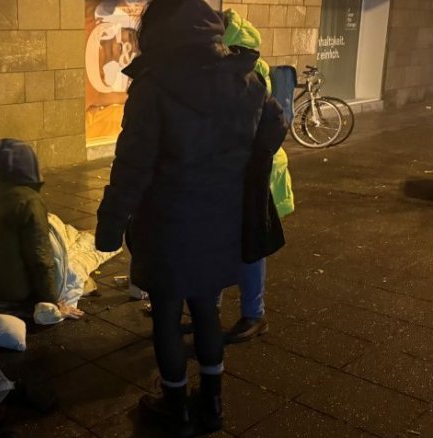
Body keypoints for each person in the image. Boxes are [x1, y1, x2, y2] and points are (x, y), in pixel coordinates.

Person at [94, 0, 287, 435]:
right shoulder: (246, 77)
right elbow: (275, 125)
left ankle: (176, 408)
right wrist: (245, 167)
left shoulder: (153, 84)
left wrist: (109, 226)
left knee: (166, 312)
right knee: (205, 309)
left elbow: (132, 165)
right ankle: (213, 405)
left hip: (166, 222)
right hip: (220, 219)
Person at [219, 9, 295, 344]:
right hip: (241, 174)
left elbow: (275, 125)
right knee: (226, 244)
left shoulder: (246, 73)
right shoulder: (240, 67)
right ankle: (210, 310)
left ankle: (254, 314)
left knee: (250, 246)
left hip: (252, 178)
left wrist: (251, 160)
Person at [0, 139, 82, 318]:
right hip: (17, 293)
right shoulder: (29, 201)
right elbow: (40, 258)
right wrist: (51, 302)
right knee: (72, 271)